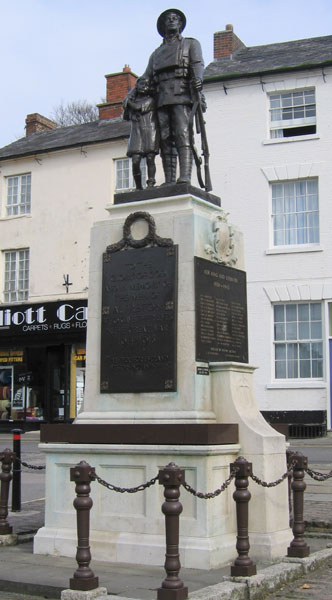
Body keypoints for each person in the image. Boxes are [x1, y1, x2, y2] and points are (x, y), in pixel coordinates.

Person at [142, 9, 204, 185]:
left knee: (183, 135)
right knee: (165, 139)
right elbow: (145, 77)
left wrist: (198, 79)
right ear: (162, 26)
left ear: (180, 24)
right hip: (161, 98)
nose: (171, 21)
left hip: (181, 95)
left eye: (175, 18)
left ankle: (185, 176)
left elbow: (198, 65)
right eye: (167, 19)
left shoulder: (190, 44)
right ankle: (169, 179)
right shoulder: (156, 54)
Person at [123, 77, 159, 189]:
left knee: (150, 157)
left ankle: (151, 182)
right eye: (141, 84)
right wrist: (127, 102)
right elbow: (125, 116)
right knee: (135, 160)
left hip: (149, 129)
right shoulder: (133, 100)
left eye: (146, 85)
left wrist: (128, 102)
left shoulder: (150, 100)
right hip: (137, 131)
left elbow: (138, 108)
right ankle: (138, 186)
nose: (144, 87)